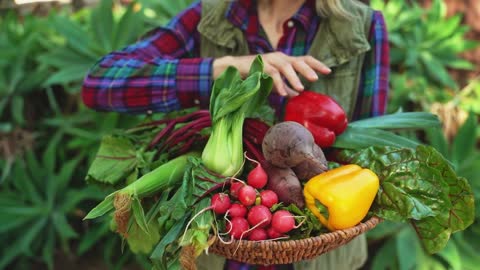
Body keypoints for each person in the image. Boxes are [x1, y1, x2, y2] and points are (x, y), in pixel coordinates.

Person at [81, 0, 389, 269]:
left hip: (322, 256)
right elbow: (100, 84)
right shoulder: (208, 16)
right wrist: (224, 68)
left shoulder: (362, 24)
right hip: (225, 241)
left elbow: (369, 156)